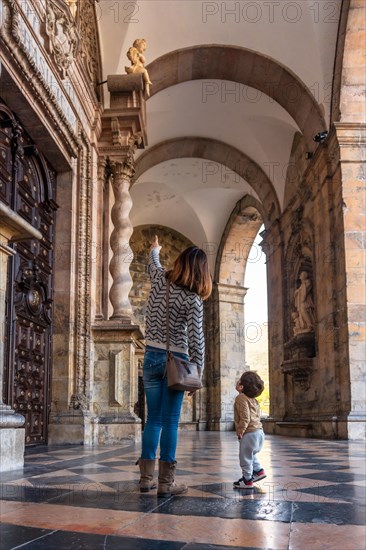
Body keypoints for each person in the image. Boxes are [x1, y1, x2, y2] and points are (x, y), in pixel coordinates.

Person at [137, 235, 212, 497]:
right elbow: (197, 340)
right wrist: (197, 374)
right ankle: (166, 484)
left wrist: (155, 248)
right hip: (176, 363)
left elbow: (153, 264)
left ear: (180, 263)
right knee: (170, 421)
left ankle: (146, 479)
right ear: (202, 272)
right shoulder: (193, 300)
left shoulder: (159, 281)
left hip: (150, 358)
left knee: (153, 420)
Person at [233, 371, 266, 490]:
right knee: (251, 454)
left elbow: (245, 417)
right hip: (259, 432)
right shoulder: (253, 399)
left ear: (241, 386)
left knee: (245, 457)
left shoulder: (240, 398)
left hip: (249, 433)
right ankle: (258, 471)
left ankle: (247, 480)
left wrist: (240, 430)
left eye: (239, 380)